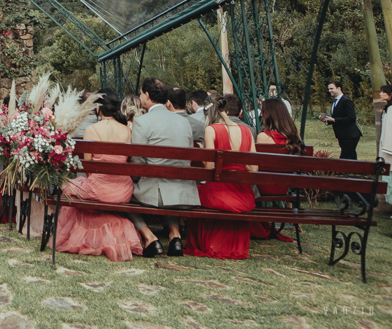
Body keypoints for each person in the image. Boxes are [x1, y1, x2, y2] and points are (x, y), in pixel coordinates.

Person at [50, 90, 142, 261]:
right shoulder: (126, 131)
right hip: (122, 189)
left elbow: (88, 167)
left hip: (100, 187)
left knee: (70, 189)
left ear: (98, 109)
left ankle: (82, 237)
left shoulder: (92, 130)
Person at [124, 78, 199, 258]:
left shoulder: (143, 122)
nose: (141, 96)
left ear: (147, 95)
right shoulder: (184, 122)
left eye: (141, 93)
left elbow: (139, 163)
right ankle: (175, 234)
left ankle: (150, 237)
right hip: (185, 193)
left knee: (122, 196)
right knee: (166, 187)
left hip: (157, 194)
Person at [185, 95, 257, 259]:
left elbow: (210, 167)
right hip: (243, 196)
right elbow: (253, 167)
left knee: (194, 192)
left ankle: (208, 242)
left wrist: (204, 152)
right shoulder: (246, 131)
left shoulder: (212, 130)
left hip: (219, 194)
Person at [251, 97, 302, 241]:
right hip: (284, 186)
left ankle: (256, 226)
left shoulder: (264, 137)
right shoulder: (295, 137)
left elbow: (258, 165)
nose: (261, 115)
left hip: (266, 186)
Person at [377, 85, 392, 221]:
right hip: (388, 151)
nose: (380, 94)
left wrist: (388, 149)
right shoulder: (388, 109)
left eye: (383, 92)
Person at [322, 81, 362, 160]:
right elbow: (337, 118)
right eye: (329, 89)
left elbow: (351, 118)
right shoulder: (335, 101)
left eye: (331, 88)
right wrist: (326, 120)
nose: (330, 90)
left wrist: (334, 119)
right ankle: (355, 170)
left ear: (339, 88)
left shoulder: (346, 101)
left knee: (345, 157)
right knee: (351, 156)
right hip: (342, 135)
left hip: (350, 135)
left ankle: (343, 172)